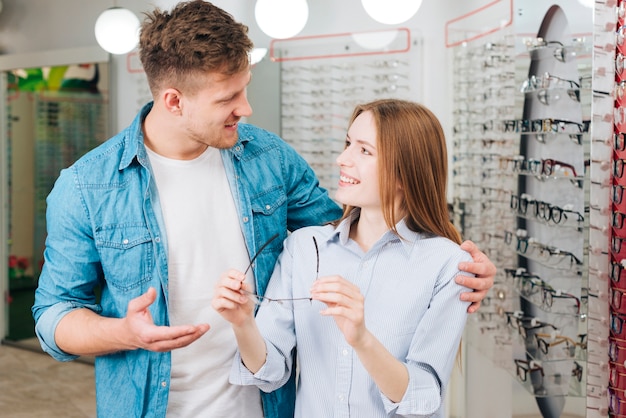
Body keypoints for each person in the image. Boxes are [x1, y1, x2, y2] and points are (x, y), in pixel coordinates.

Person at [32, 2, 495, 417]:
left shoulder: (269, 158)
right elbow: (54, 316)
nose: (246, 108)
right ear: (173, 100)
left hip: (266, 404)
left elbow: (355, 233)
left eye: (245, 88)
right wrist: (127, 333)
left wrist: (452, 262)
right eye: (227, 98)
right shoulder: (88, 185)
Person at [213, 98, 476, 417]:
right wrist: (242, 323)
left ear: (405, 173)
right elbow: (269, 372)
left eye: (364, 150)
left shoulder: (448, 265)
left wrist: (361, 338)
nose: (342, 159)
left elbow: (421, 397)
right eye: (348, 144)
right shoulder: (305, 247)